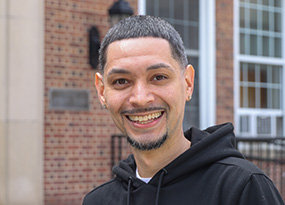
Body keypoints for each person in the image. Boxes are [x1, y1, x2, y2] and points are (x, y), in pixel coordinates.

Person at [83, 15, 284, 205]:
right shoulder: (98, 201)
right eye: (121, 81)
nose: (141, 98)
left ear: (188, 83)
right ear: (102, 91)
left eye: (158, 77)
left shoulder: (241, 188)